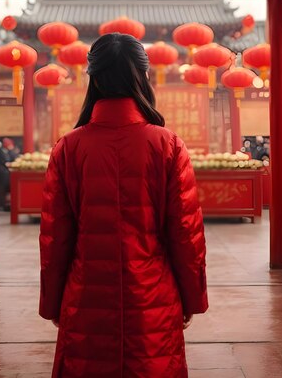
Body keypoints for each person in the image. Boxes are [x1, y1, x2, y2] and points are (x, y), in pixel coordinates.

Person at [39, 33, 208, 377]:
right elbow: (186, 233)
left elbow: (55, 237)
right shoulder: (168, 145)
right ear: (143, 77)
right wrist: (191, 298)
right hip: (153, 300)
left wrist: (54, 301)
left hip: (86, 298)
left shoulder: (68, 148)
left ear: (94, 79)